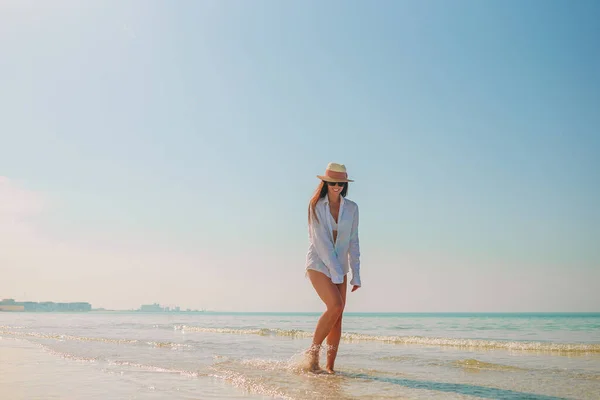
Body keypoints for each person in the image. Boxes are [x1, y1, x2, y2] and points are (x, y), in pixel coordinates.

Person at [304, 162, 361, 374]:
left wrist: (356, 274)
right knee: (335, 306)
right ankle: (312, 354)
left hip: (341, 266)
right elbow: (321, 242)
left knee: (338, 317)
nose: (337, 186)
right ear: (325, 183)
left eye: (341, 183)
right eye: (332, 182)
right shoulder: (316, 206)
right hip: (319, 263)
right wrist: (336, 272)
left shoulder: (352, 208)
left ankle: (329, 368)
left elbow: (354, 241)